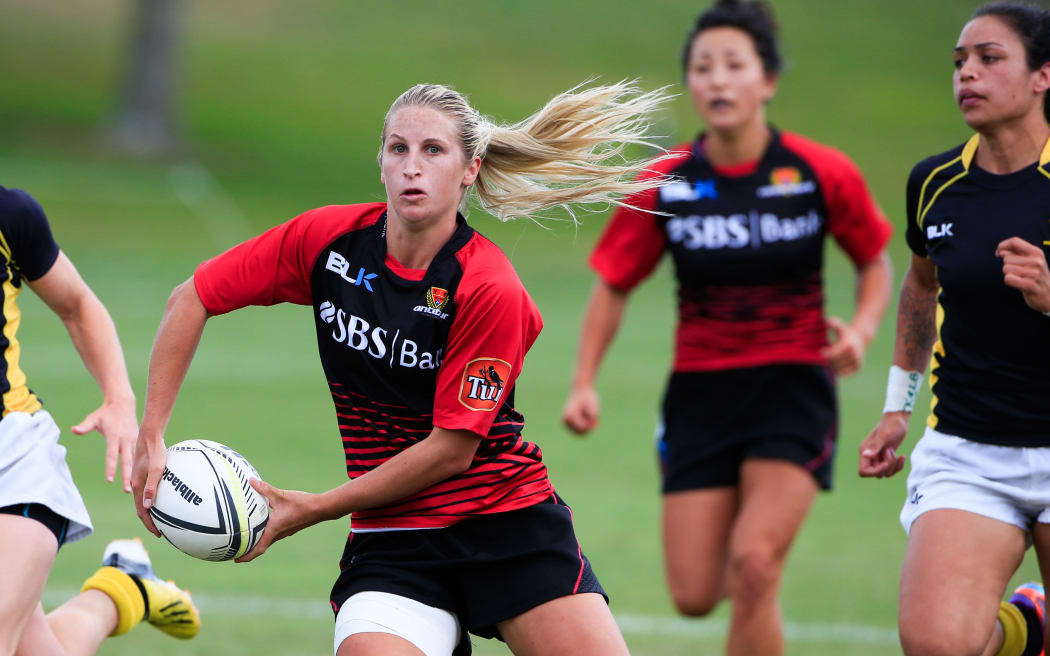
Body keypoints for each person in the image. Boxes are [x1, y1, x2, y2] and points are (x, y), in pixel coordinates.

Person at [130, 80, 675, 656]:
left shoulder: (489, 288)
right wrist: (151, 435)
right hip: (395, 543)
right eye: (399, 149)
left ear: (469, 169)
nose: (413, 166)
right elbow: (192, 297)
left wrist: (312, 508)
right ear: (382, 164)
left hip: (506, 525)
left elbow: (451, 450)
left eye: (433, 150)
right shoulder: (328, 243)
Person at [560, 1, 894, 654]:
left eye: (734, 65)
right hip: (700, 395)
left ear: (766, 81)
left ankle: (758, 567)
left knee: (754, 565)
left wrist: (860, 329)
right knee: (693, 594)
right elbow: (613, 284)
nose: (717, 80)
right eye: (703, 67)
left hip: (792, 389)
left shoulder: (818, 172)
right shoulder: (669, 180)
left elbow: (875, 261)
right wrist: (582, 382)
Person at [859, 3, 1050, 655]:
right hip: (970, 448)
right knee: (938, 645)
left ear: (1042, 76)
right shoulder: (935, 182)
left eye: (989, 59)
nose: (968, 73)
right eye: (960, 62)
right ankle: (1028, 627)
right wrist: (895, 408)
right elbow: (920, 289)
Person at [0, 186, 199, 656]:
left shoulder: (10, 215)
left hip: (12, 459)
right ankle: (123, 588)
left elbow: (76, 304)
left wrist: (119, 399)